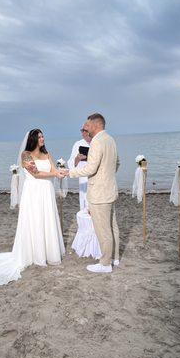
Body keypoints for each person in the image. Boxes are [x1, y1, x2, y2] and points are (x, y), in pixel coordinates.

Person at [0, 129, 65, 286]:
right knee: (35, 220)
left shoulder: (47, 153)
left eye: (43, 136)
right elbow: (35, 173)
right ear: (33, 139)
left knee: (47, 219)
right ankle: (34, 254)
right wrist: (55, 175)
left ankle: (49, 252)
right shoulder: (26, 155)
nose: (42, 139)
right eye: (39, 136)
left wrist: (61, 172)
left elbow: (53, 170)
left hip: (46, 191)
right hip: (34, 192)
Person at [64, 113, 120, 273]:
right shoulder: (111, 139)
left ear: (95, 125)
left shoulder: (96, 141)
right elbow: (117, 163)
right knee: (112, 226)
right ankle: (115, 258)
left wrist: (69, 172)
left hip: (99, 193)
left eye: (87, 125)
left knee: (103, 230)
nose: (86, 128)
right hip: (110, 190)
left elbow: (90, 168)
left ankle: (105, 264)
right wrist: (106, 176)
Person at [67, 122, 91, 210]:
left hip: (96, 176)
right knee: (85, 203)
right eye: (82, 130)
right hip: (84, 177)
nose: (83, 133)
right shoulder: (78, 144)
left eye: (86, 131)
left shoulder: (97, 142)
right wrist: (77, 158)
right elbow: (70, 163)